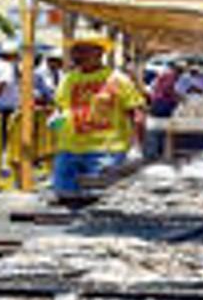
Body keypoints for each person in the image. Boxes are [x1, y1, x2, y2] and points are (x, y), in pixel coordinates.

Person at [50, 35, 145, 196]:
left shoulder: (118, 80)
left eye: (83, 51)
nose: (77, 56)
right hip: (68, 150)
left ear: (99, 53)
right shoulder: (67, 79)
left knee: (101, 202)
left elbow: (136, 114)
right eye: (74, 51)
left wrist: (136, 146)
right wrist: (55, 122)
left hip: (105, 152)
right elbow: (62, 109)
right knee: (64, 197)